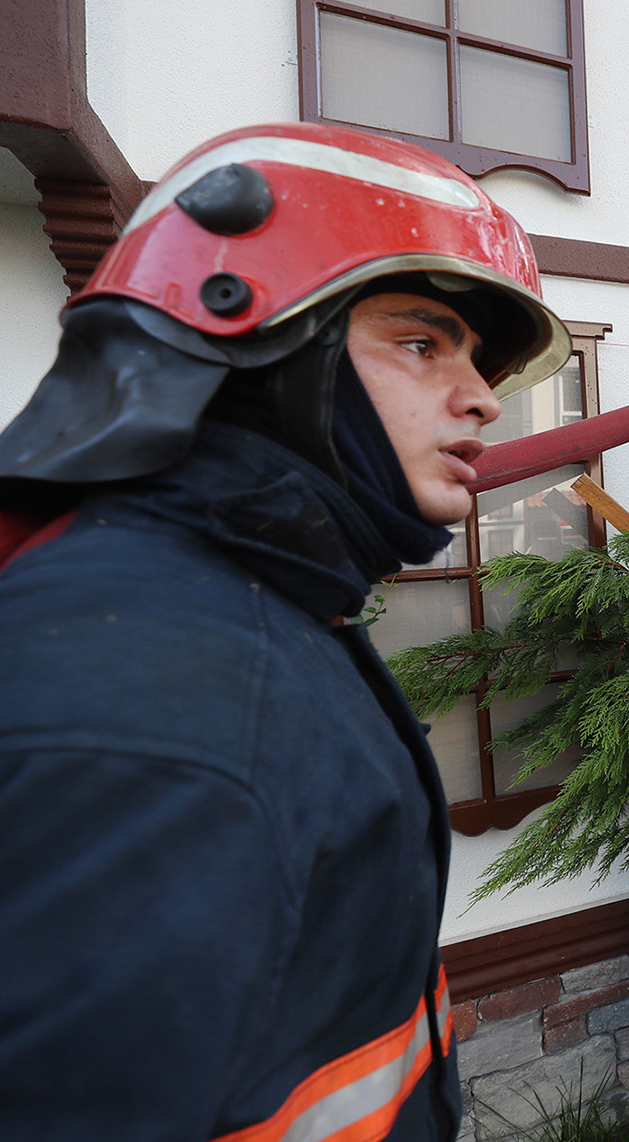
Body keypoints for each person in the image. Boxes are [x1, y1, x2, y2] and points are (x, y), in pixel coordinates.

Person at [0, 122, 573, 1139]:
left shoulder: (243, 602)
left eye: (474, 359)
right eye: (420, 342)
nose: (483, 398)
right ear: (261, 350)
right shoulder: (161, 714)